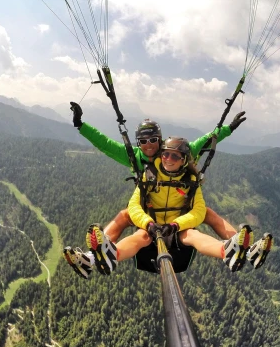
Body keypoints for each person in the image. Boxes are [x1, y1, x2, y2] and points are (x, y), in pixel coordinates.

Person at [64, 137, 273, 279]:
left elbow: (198, 210)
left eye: (174, 156)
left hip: (177, 229)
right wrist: (148, 223)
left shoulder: (191, 181)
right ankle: (102, 255)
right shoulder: (149, 176)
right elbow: (134, 205)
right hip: (152, 226)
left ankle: (231, 250)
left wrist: (175, 225)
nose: (168, 159)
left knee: (192, 233)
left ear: (183, 160)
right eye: (165, 155)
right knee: (140, 235)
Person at [67, 102, 245, 244]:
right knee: (123, 215)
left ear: (160, 140)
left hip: (177, 212)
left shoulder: (174, 151)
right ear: (138, 143)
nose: (149, 144)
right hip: (149, 211)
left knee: (207, 213)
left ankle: (238, 244)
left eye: (153, 140)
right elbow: (104, 143)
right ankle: (99, 250)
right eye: (143, 141)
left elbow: (207, 140)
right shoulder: (133, 156)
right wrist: (80, 125)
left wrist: (229, 128)